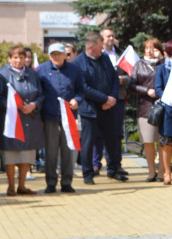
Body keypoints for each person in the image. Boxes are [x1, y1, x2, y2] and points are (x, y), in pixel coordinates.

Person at [73, 32, 126, 184]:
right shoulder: (79, 63)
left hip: (108, 107)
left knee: (112, 140)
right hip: (90, 109)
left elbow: (115, 79)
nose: (102, 49)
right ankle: (88, 173)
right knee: (88, 143)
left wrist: (112, 98)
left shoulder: (104, 59)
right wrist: (104, 99)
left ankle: (113, 169)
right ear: (91, 46)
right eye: (100, 46)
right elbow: (83, 88)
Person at [0, 45, 45, 196]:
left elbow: (41, 94)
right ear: (10, 59)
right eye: (15, 57)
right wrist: (14, 106)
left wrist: (34, 105)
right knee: (11, 153)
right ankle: (11, 186)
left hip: (30, 118)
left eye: (21, 57)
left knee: (27, 153)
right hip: (11, 119)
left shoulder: (33, 74)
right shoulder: (2, 74)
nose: (18, 60)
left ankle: (22, 185)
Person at [38, 43, 84, 194]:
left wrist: (77, 100)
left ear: (65, 55)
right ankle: (51, 182)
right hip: (50, 116)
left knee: (67, 150)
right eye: (53, 54)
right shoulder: (42, 70)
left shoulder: (75, 70)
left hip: (68, 117)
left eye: (59, 54)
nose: (56, 57)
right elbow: (38, 92)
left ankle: (66, 182)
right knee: (51, 152)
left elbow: (81, 91)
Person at [95, 28, 129, 178]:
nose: (111, 38)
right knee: (98, 134)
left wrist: (123, 80)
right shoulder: (97, 55)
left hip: (118, 99)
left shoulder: (122, 55)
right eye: (108, 36)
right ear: (102, 39)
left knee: (116, 133)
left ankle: (116, 164)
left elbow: (132, 75)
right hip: (100, 100)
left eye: (113, 36)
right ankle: (95, 164)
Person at [131, 38, 164, 182]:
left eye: (153, 48)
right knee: (149, 141)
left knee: (164, 141)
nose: (150, 51)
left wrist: (162, 59)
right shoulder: (139, 65)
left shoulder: (164, 64)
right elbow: (132, 85)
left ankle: (163, 172)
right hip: (145, 107)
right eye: (147, 48)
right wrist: (146, 91)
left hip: (163, 107)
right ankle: (152, 172)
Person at [154, 40, 172, 186]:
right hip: (167, 110)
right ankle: (166, 172)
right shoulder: (161, 68)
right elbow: (158, 88)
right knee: (166, 143)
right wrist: (170, 98)